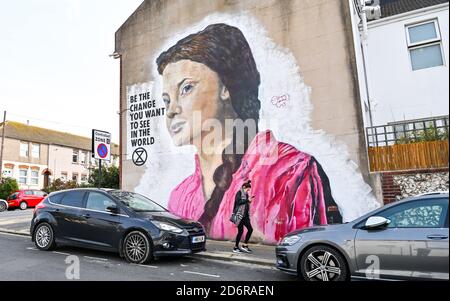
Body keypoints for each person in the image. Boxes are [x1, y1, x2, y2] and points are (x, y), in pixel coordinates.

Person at [157, 23, 342, 244]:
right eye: (166, 100)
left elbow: (314, 252)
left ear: (226, 87)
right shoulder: (180, 196)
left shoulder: (290, 172)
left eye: (186, 88)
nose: (171, 110)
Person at [232, 181, 254, 253]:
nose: (248, 191)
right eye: (247, 189)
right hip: (239, 215)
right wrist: (247, 200)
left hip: (245, 216)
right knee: (240, 231)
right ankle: (235, 247)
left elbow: (245, 203)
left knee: (250, 229)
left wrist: (249, 201)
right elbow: (238, 202)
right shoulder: (239, 193)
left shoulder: (246, 194)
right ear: (244, 187)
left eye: (249, 190)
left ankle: (245, 245)